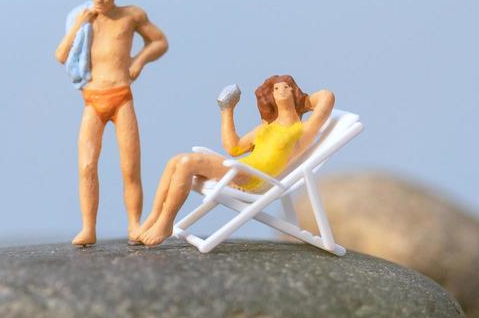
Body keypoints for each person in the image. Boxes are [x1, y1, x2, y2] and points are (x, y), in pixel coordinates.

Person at [131, 75, 335, 247]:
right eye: (276, 88)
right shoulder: (265, 128)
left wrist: (303, 102)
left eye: (287, 87)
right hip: (241, 169)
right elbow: (234, 147)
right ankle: (153, 217)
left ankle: (166, 223)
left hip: (252, 178)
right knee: (175, 160)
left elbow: (326, 97)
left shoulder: (303, 130)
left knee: (186, 163)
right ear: (270, 95)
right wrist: (227, 110)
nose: (281, 90)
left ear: (294, 92)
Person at [54, 0, 169, 246]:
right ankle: (88, 228)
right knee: (86, 165)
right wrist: (79, 24)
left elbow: (160, 41)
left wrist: (139, 61)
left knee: (130, 165)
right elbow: (60, 55)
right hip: (93, 99)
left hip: (121, 96)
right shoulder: (83, 18)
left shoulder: (131, 16)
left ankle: (134, 224)